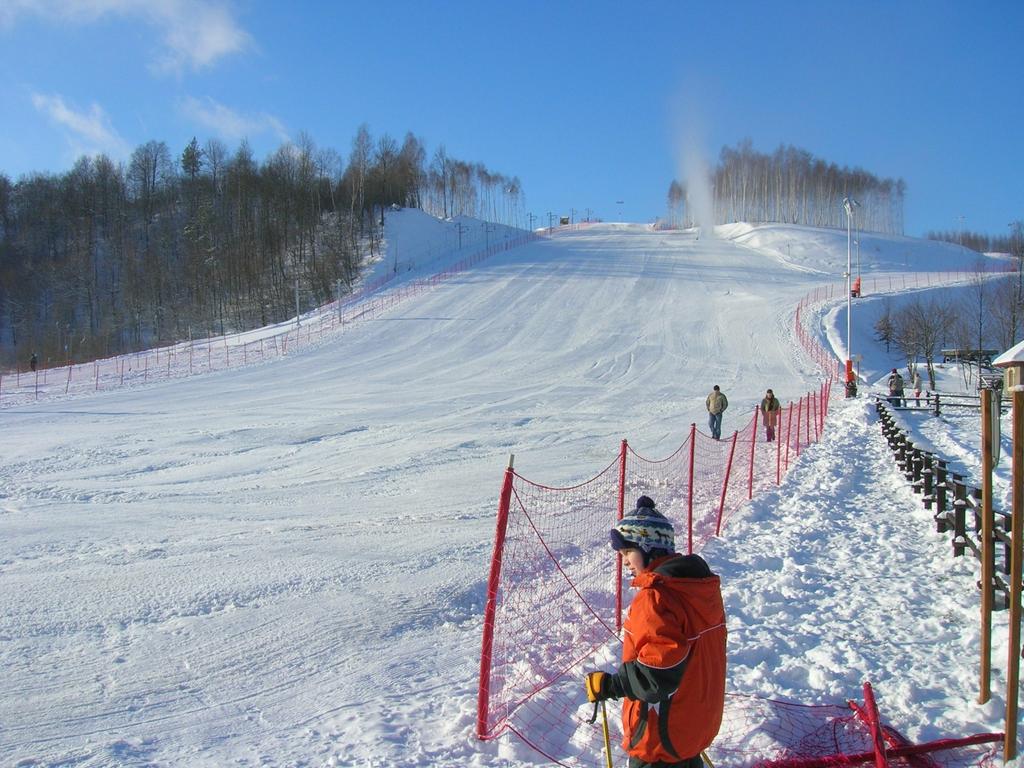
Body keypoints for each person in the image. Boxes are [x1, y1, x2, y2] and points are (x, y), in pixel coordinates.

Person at [584, 496, 727, 768]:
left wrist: (610, 686)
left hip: (659, 736)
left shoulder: (656, 598)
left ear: (650, 548)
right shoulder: (698, 589)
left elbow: (657, 673)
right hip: (690, 729)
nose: (624, 560)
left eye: (628, 552)